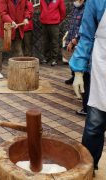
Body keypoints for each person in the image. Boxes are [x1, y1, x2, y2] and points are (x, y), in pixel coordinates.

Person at [69, 0, 106, 176]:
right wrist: (78, 70)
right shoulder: (96, 1)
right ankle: (88, 168)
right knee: (94, 124)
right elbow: (87, 34)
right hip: (102, 64)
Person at [0, 0, 30, 79]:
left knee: (18, 50)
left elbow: (28, 8)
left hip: (18, 28)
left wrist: (27, 17)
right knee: (1, 49)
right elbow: (3, 13)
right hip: (6, 28)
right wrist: (11, 21)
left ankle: (20, 71)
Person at [63, 0, 85, 85]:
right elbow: (72, 22)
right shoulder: (75, 8)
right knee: (71, 57)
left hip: (79, 38)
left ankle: (80, 77)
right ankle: (74, 75)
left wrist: (76, 38)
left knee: (78, 58)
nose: (75, 1)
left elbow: (83, 26)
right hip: (71, 35)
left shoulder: (86, 9)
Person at [40, 0, 66, 66]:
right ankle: (46, 57)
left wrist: (58, 19)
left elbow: (63, 11)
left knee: (55, 41)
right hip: (44, 23)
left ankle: (54, 59)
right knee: (45, 41)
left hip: (54, 23)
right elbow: (41, 9)